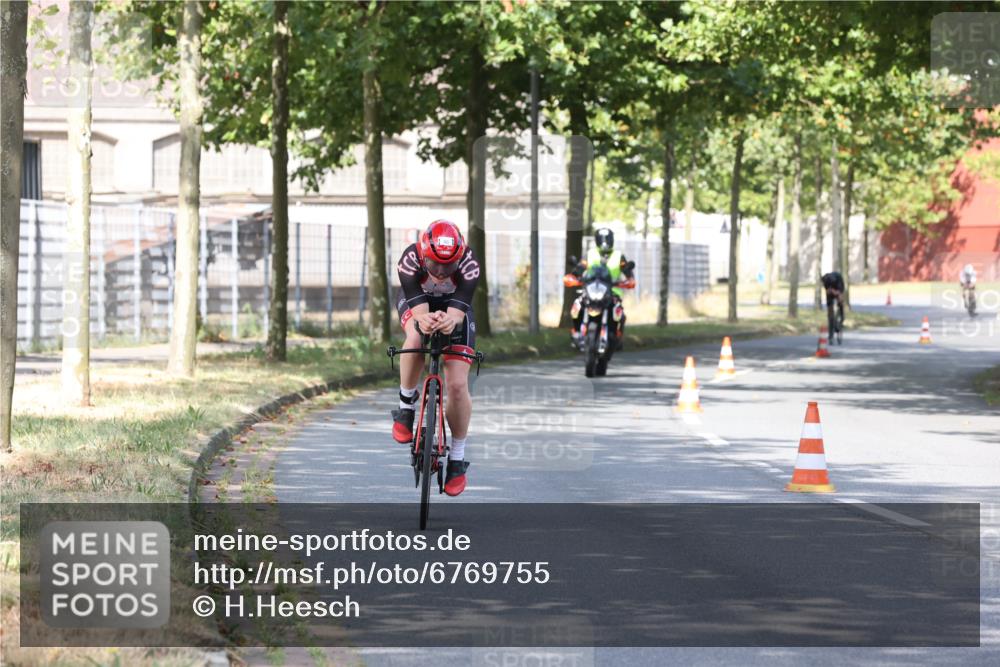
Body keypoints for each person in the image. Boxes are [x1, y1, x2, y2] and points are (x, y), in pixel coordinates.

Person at [391, 220, 480, 496]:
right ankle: (406, 405)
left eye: (448, 266)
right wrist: (425, 319)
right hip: (418, 303)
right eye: (434, 265)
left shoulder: (469, 264)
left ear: (460, 256)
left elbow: (456, 314)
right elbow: (419, 312)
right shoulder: (410, 259)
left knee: (456, 384)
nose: (441, 273)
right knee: (417, 337)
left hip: (455, 308)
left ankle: (456, 458)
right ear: (423, 253)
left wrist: (450, 320)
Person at [569, 228, 635, 349]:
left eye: (608, 239)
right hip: (591, 291)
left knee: (620, 315)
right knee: (577, 305)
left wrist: (630, 280)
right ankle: (576, 332)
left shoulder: (618, 256)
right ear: (597, 240)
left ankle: (617, 336)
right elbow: (579, 268)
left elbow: (627, 271)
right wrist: (573, 277)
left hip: (613, 292)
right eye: (602, 239)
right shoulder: (589, 254)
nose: (605, 242)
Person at [821, 271, 845, 340]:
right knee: (830, 312)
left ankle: (841, 316)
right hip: (830, 293)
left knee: (840, 300)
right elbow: (827, 291)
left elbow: (839, 292)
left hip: (838, 288)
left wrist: (836, 293)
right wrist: (830, 291)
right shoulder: (826, 281)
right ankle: (831, 331)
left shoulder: (838, 280)